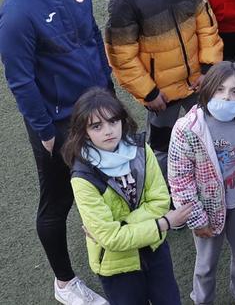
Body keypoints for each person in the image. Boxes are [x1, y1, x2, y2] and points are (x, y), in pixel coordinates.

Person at [1, 0, 113, 305]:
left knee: (106, 181)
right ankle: (64, 284)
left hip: (98, 108)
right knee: (58, 200)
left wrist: (108, 90)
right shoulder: (16, 10)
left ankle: (113, 240)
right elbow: (20, 80)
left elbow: (91, 37)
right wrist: (47, 132)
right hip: (59, 124)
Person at [105, 0, 223, 169]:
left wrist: (208, 69)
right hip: (162, 94)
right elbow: (120, 55)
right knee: (161, 150)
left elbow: (206, 23)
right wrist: (148, 91)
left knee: (212, 136)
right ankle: (165, 198)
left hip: (197, 83)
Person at [66, 88, 189, 305]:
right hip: (116, 266)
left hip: (154, 250)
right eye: (97, 126)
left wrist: (122, 227)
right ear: (84, 131)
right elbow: (111, 239)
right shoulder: (82, 177)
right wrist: (162, 223)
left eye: (113, 121)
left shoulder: (141, 149)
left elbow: (160, 202)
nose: (108, 131)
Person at [167, 61, 235, 305]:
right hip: (206, 209)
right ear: (208, 88)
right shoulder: (187, 128)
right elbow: (180, 180)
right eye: (220, 89)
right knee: (205, 263)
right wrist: (197, 219)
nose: (226, 97)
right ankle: (202, 300)